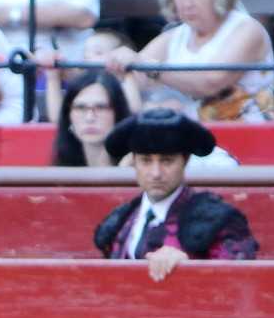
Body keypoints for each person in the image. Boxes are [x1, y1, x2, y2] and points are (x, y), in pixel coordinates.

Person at [94, 109, 258, 280]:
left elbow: (239, 282)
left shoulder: (220, 219)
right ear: (134, 162)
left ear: (185, 161)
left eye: (167, 161)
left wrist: (190, 267)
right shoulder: (120, 220)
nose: (156, 173)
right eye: (146, 161)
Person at [106, 0, 274, 122]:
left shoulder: (247, 29)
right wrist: (122, 62)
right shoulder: (175, 36)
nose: (187, 3)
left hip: (249, 135)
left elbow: (209, 82)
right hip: (191, 141)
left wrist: (150, 68)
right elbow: (136, 74)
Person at [51, 71, 132, 168]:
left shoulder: (134, 165)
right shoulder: (59, 172)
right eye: (80, 107)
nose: (90, 118)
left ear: (118, 112)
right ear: (68, 115)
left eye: (101, 107)